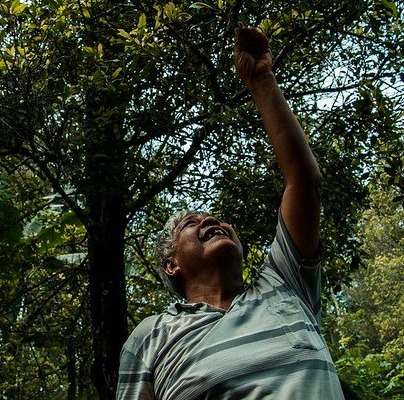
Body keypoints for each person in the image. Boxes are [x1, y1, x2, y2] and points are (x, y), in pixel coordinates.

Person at [117, 27, 344, 399]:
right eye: (191, 224)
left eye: (218, 220)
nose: (212, 221)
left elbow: (304, 182)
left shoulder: (285, 285)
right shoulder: (150, 336)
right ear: (171, 264)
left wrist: (262, 79)